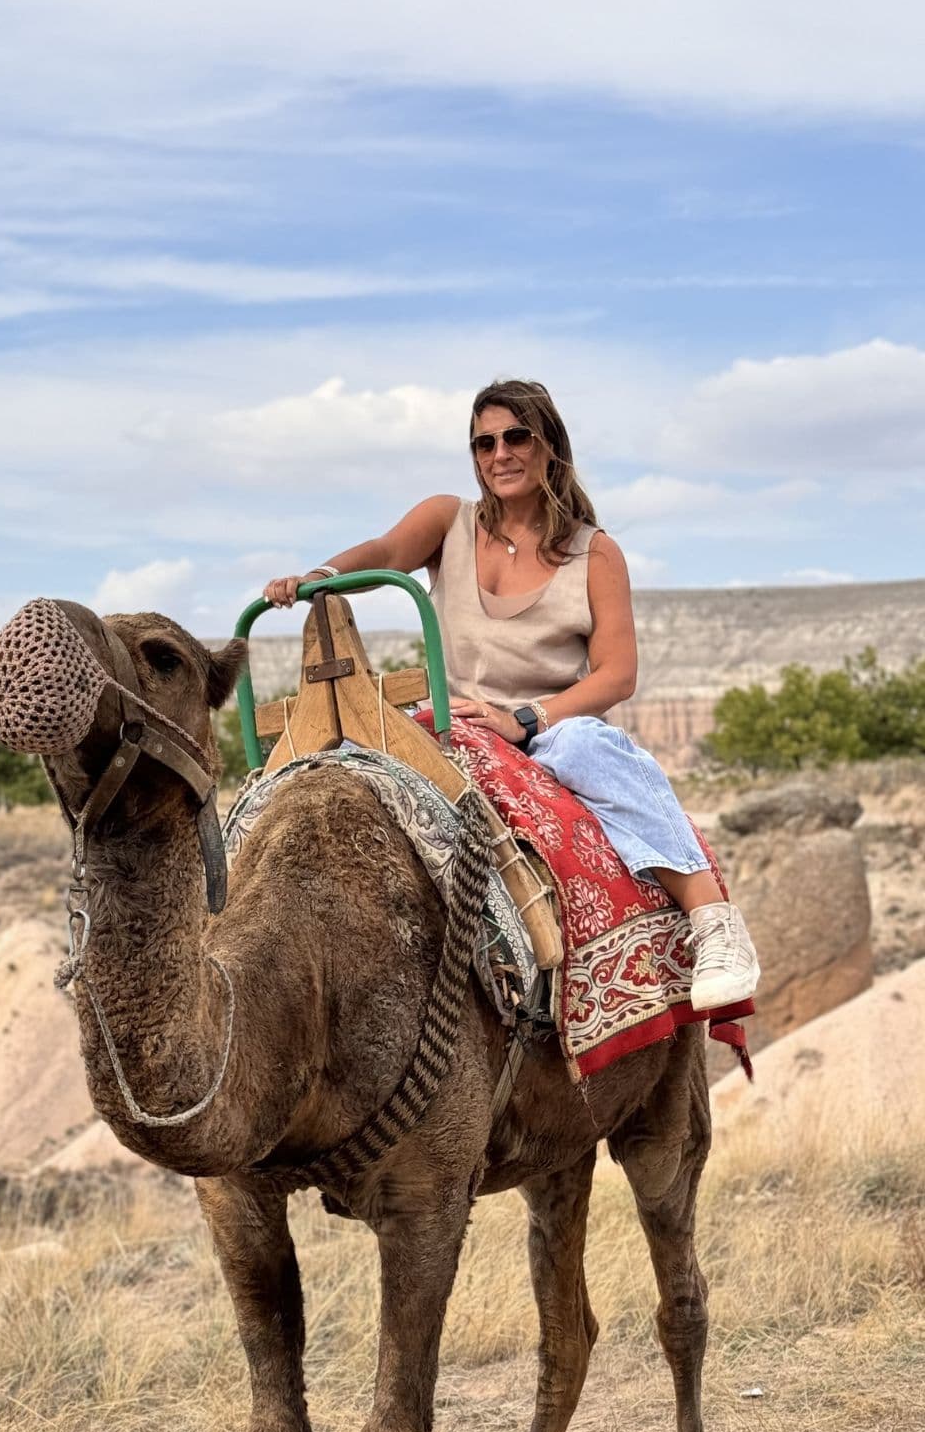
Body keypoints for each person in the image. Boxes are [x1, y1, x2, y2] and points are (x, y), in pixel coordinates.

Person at [263, 378, 760, 1012]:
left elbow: (617, 674)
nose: (500, 453)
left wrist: (525, 719)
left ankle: (713, 921)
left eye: (516, 437)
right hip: (449, 717)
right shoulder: (449, 521)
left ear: (549, 445)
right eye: (484, 443)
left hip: (550, 723)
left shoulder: (594, 553)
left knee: (586, 746)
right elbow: (386, 552)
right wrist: (322, 577)